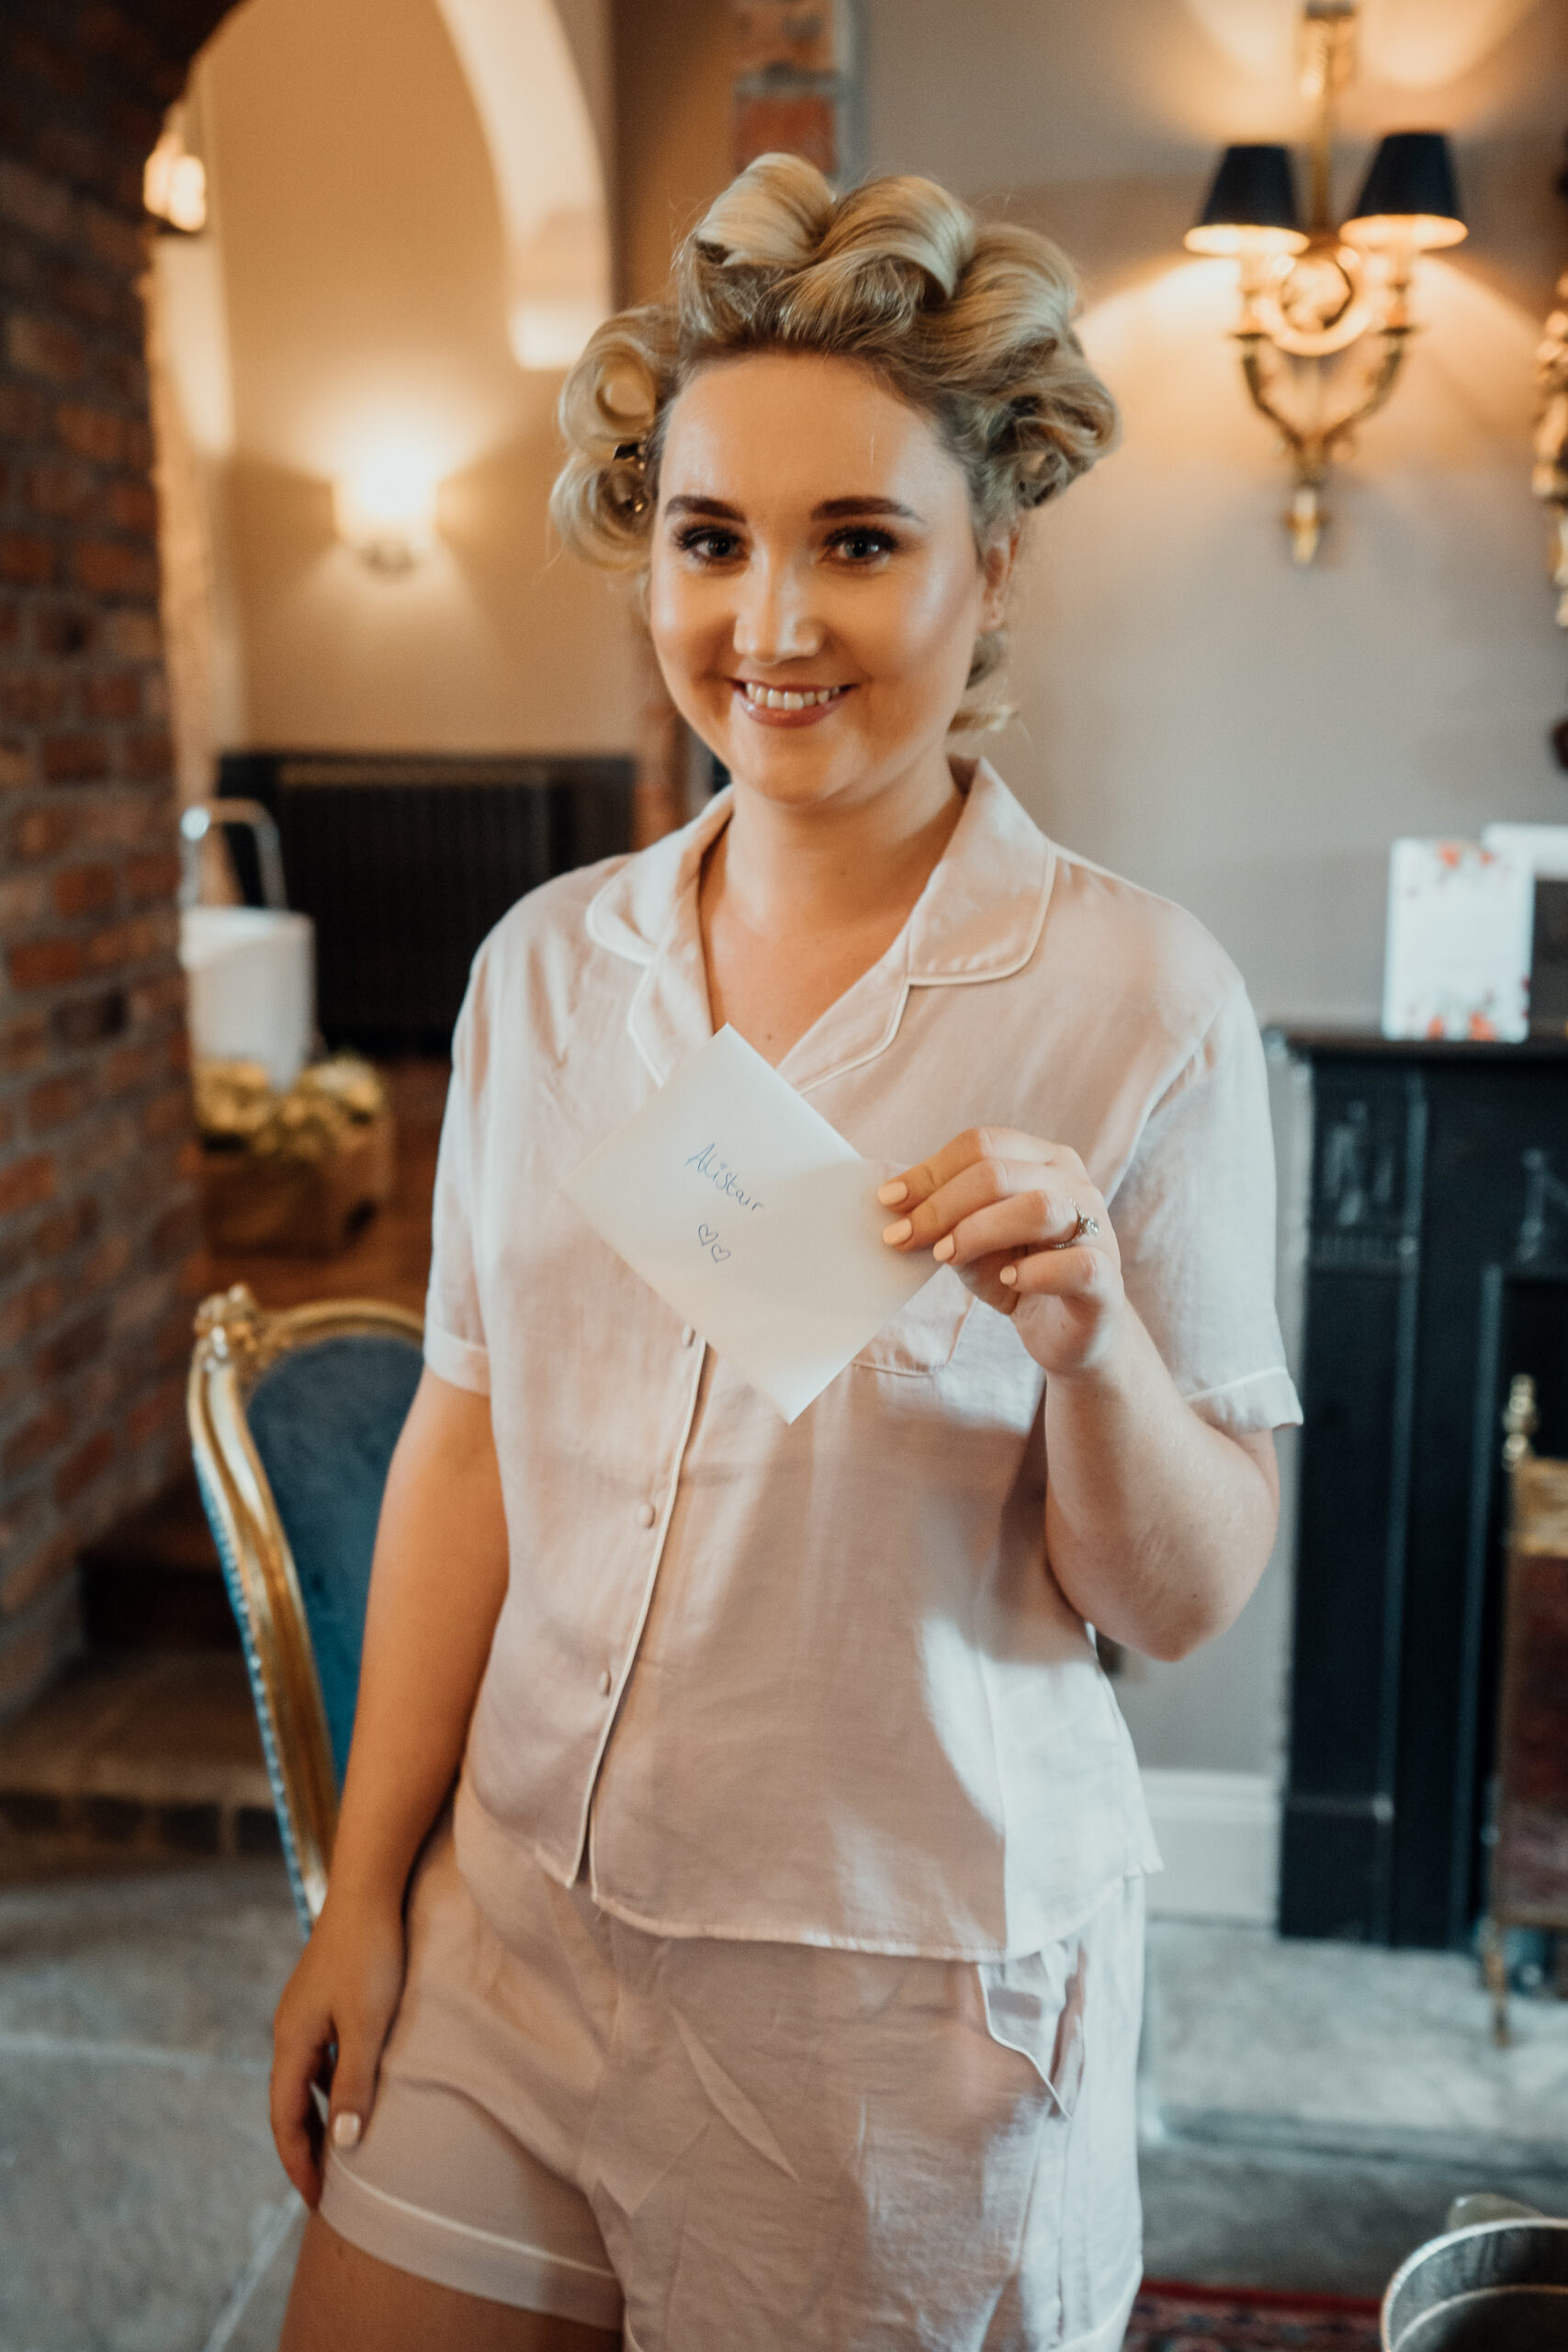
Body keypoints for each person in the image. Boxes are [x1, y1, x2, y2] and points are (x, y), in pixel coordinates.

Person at [274, 153, 1301, 2352]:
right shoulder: (547, 970)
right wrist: (367, 1892)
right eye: (708, 539)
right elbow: (467, 1441)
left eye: (857, 542)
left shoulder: (1138, 996)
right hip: (513, 1939)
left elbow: (1188, 1594)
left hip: (884, 2010)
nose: (768, 625)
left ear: (991, 563)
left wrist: (1096, 1343)